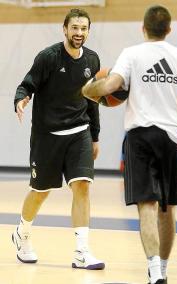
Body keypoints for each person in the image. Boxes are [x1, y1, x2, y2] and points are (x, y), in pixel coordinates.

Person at [82, 5, 177, 283]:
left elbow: (110, 87)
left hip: (141, 136)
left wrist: (88, 89)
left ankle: (154, 270)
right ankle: (164, 269)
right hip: (174, 139)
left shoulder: (132, 54)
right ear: (169, 30)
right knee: (167, 208)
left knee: (146, 204)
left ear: (142, 28)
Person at [12, 8, 105, 270]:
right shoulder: (48, 57)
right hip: (47, 136)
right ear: (64, 29)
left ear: (88, 31)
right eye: (74, 28)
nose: (79, 33)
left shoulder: (92, 60)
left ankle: (81, 251)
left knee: (82, 186)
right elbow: (27, 84)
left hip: (79, 132)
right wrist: (21, 99)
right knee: (41, 191)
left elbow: (93, 101)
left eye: (83, 28)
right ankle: (22, 234)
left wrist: (95, 136)